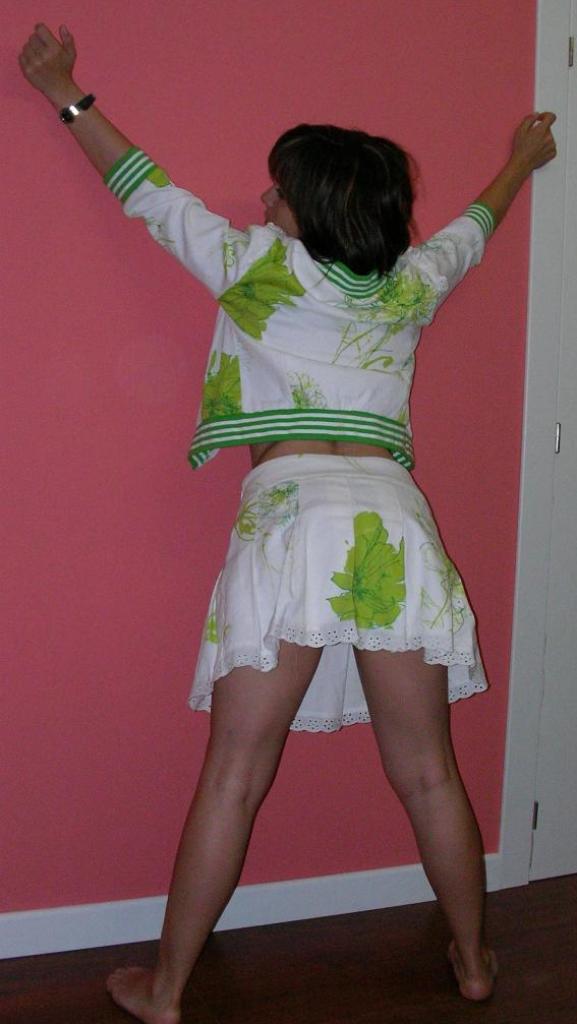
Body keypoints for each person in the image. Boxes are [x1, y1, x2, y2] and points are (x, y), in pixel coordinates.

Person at [18, 22, 557, 1024]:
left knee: (233, 773)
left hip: (291, 520)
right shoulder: (407, 284)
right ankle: (476, 959)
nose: (260, 200)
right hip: (394, 526)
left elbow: (142, 188)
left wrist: (65, 92)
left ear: (308, 209)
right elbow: (471, 231)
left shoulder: (256, 266)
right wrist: (520, 161)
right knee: (428, 772)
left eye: (276, 190)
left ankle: (166, 989)